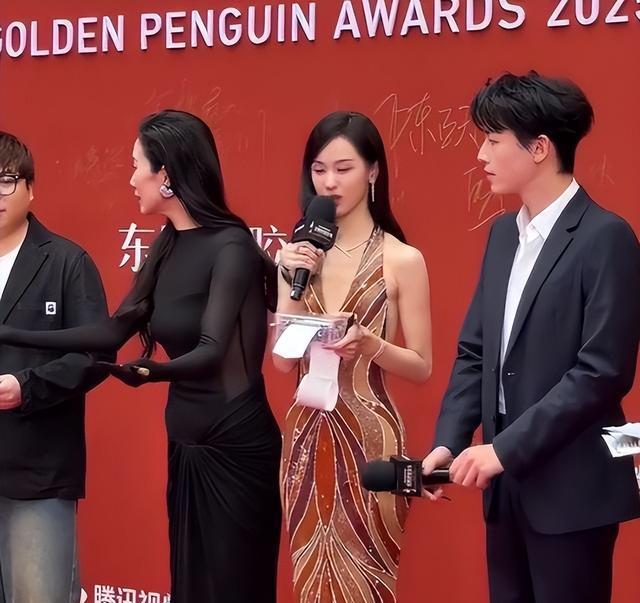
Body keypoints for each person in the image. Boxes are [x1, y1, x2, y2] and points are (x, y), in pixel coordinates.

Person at [0, 111, 282, 603]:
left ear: (165, 174)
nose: (131, 179)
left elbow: (213, 350)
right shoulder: (167, 245)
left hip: (235, 445)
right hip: (186, 441)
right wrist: (10, 332)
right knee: (191, 585)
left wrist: (152, 372)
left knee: (233, 587)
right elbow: (112, 330)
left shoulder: (232, 246)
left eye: (136, 166)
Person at [422, 72, 640, 603]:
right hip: (506, 490)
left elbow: (602, 372)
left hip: (572, 493)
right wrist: (450, 440)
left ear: (539, 148)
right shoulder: (503, 235)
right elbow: (476, 351)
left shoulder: (605, 237)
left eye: (493, 140)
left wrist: (504, 450)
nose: (481, 155)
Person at [274, 111, 432, 602]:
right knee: (310, 582)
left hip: (372, 442)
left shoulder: (402, 259)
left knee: (367, 584)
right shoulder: (295, 255)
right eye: (319, 169)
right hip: (304, 438)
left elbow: (422, 365)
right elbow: (282, 363)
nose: (329, 182)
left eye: (343, 169)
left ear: (373, 171)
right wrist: (290, 279)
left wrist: (371, 345)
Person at [0, 131, 110, 603]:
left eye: (5, 181)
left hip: (38, 473)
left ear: (31, 188)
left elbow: (95, 355)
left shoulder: (66, 262)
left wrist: (25, 388)